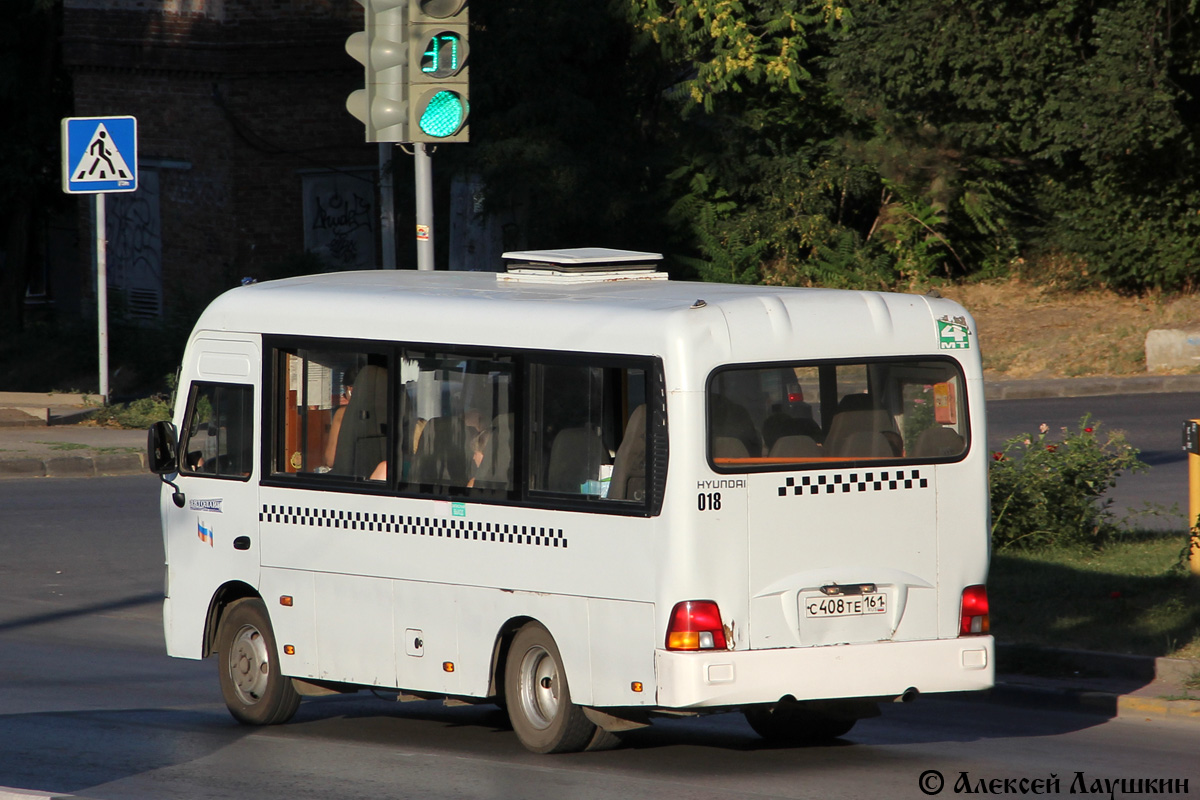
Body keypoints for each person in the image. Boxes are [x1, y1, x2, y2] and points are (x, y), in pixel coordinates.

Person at [323, 365, 359, 469]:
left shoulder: (343, 414)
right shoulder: (385, 410)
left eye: (344, 391)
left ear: (350, 389)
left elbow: (331, 459)